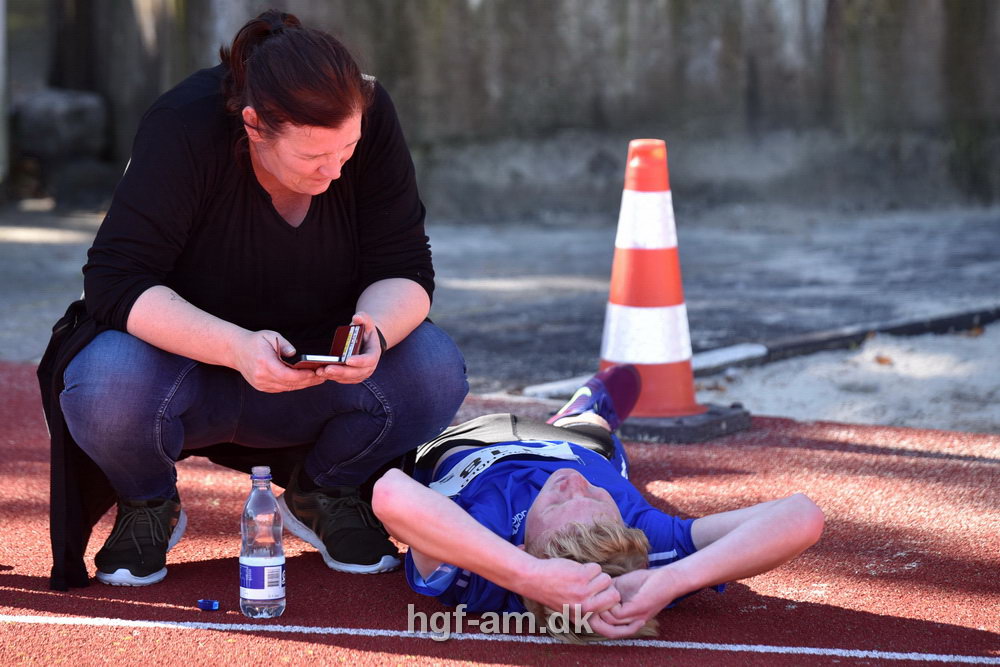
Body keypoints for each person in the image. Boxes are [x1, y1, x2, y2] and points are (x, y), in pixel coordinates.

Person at [56, 9, 468, 587]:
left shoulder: (370, 120)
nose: (334, 171)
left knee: (433, 366)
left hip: (316, 379)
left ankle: (326, 489)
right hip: (183, 369)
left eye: (346, 149)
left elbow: (405, 266)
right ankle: (146, 502)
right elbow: (114, 281)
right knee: (104, 383)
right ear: (252, 124)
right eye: (311, 157)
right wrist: (235, 347)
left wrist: (372, 329)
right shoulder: (183, 124)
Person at [372, 365, 825, 643]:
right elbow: (802, 515)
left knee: (379, 446)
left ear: (526, 549)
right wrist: (675, 579)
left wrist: (523, 573)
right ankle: (586, 408)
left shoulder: (480, 579)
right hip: (574, 445)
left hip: (465, 444)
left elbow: (389, 493)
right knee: (594, 432)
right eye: (594, 496)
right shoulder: (644, 546)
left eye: (555, 504)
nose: (571, 485)